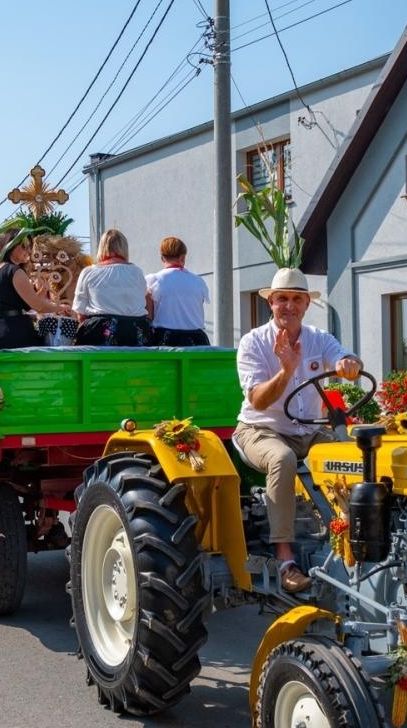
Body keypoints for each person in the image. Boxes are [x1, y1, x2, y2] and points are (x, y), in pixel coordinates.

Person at [233, 268, 362, 593]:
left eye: (296, 299)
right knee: (283, 459)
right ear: (271, 304)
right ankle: (285, 560)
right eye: (282, 299)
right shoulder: (253, 343)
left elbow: (343, 357)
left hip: (309, 431)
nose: (288, 306)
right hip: (260, 430)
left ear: (306, 304)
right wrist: (287, 370)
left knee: (353, 456)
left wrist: (349, 364)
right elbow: (258, 401)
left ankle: (353, 545)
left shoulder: (319, 337)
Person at [0, 231, 71, 350]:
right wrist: (60, 307)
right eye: (24, 246)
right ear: (10, 246)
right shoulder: (15, 271)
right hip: (15, 334)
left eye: (29, 247)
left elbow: (11, 302)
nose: (29, 251)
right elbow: (39, 306)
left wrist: (41, 292)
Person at [72, 229, 151, 346]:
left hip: (99, 333)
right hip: (136, 333)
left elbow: (80, 313)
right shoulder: (137, 272)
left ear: (101, 248)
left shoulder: (88, 272)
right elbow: (143, 301)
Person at [145, 236, 211, 347]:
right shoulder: (199, 282)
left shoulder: (153, 280)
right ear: (183, 257)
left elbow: (148, 316)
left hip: (165, 340)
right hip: (197, 341)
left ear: (162, 258)